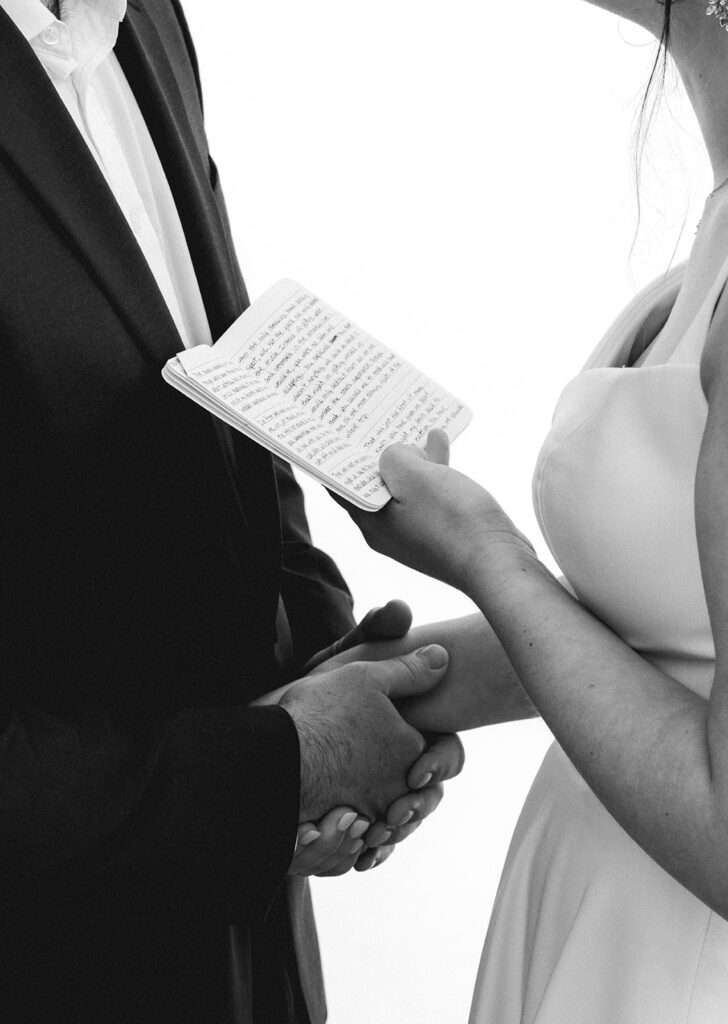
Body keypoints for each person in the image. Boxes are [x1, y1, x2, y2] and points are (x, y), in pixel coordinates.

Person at [0, 1, 465, 1021]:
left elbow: (207, 376)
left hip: (245, 952)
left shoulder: (151, 23)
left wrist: (316, 655)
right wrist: (270, 775)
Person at [324, 0, 728, 1018]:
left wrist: (484, 550)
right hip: (596, 897)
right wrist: (394, 692)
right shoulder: (707, 254)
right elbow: (666, 638)